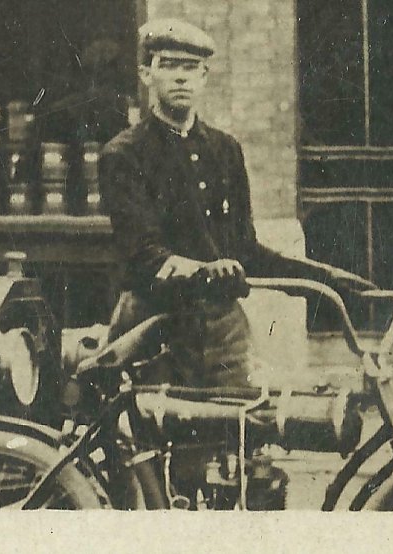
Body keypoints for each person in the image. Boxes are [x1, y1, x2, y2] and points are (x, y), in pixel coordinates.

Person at [99, 18, 371, 389]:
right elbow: (142, 252)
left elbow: (245, 250)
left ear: (204, 76)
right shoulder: (124, 154)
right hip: (152, 326)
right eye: (170, 66)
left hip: (222, 330)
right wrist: (204, 270)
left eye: (191, 68)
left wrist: (326, 279)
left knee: (245, 427)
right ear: (147, 74)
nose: (181, 78)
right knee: (153, 434)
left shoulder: (225, 150)